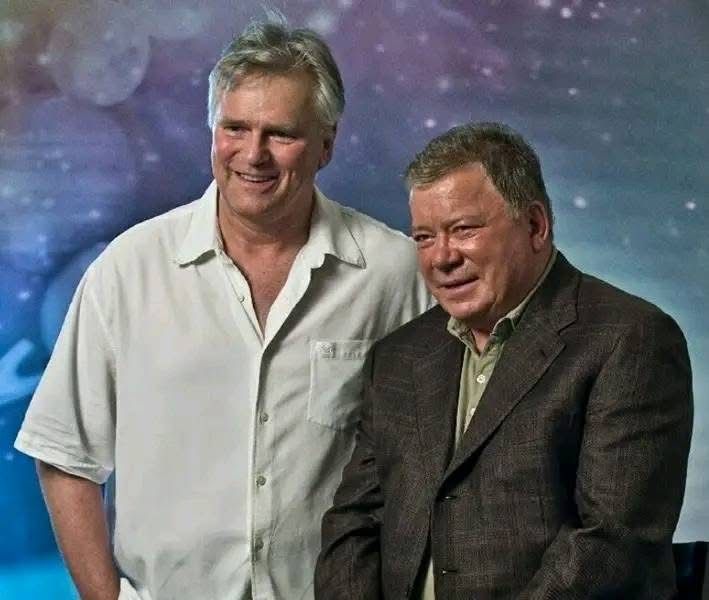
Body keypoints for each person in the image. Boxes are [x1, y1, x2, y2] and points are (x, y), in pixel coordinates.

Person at [14, 19, 431, 600]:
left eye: (280, 133)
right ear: (213, 130)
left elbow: (444, 456)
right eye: (235, 128)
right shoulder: (129, 271)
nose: (253, 155)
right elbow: (65, 456)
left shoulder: (394, 274)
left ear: (326, 144)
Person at [315, 122, 693, 599]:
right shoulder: (398, 357)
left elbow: (612, 545)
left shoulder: (630, 340)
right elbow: (355, 523)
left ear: (535, 226)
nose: (441, 258)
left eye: (463, 230)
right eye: (424, 237)